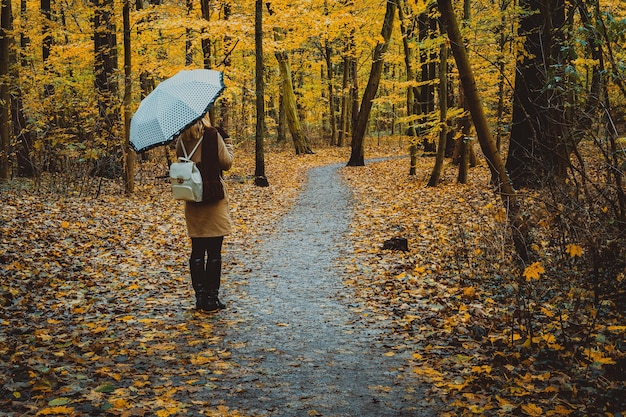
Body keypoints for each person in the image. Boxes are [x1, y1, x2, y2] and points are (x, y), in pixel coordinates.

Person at [175, 113, 234, 312]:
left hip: (193, 200)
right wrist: (228, 143)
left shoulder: (181, 141)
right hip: (213, 198)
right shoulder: (212, 135)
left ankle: (200, 298)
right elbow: (226, 163)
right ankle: (211, 299)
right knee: (214, 251)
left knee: (197, 250)